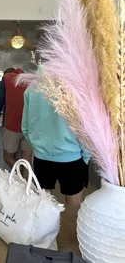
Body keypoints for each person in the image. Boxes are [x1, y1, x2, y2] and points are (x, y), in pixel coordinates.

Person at [22, 74, 90, 208]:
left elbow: (25, 127)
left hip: (41, 155)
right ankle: (69, 229)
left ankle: (46, 229)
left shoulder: (32, 87)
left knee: (43, 205)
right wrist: (86, 155)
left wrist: (37, 145)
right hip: (72, 157)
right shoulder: (74, 85)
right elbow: (85, 127)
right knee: (74, 207)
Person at [0, 68, 33, 171]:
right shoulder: (30, 80)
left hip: (13, 126)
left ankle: (20, 180)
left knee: (8, 157)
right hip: (30, 127)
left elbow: (0, 100)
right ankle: (27, 185)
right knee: (27, 160)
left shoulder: (7, 78)